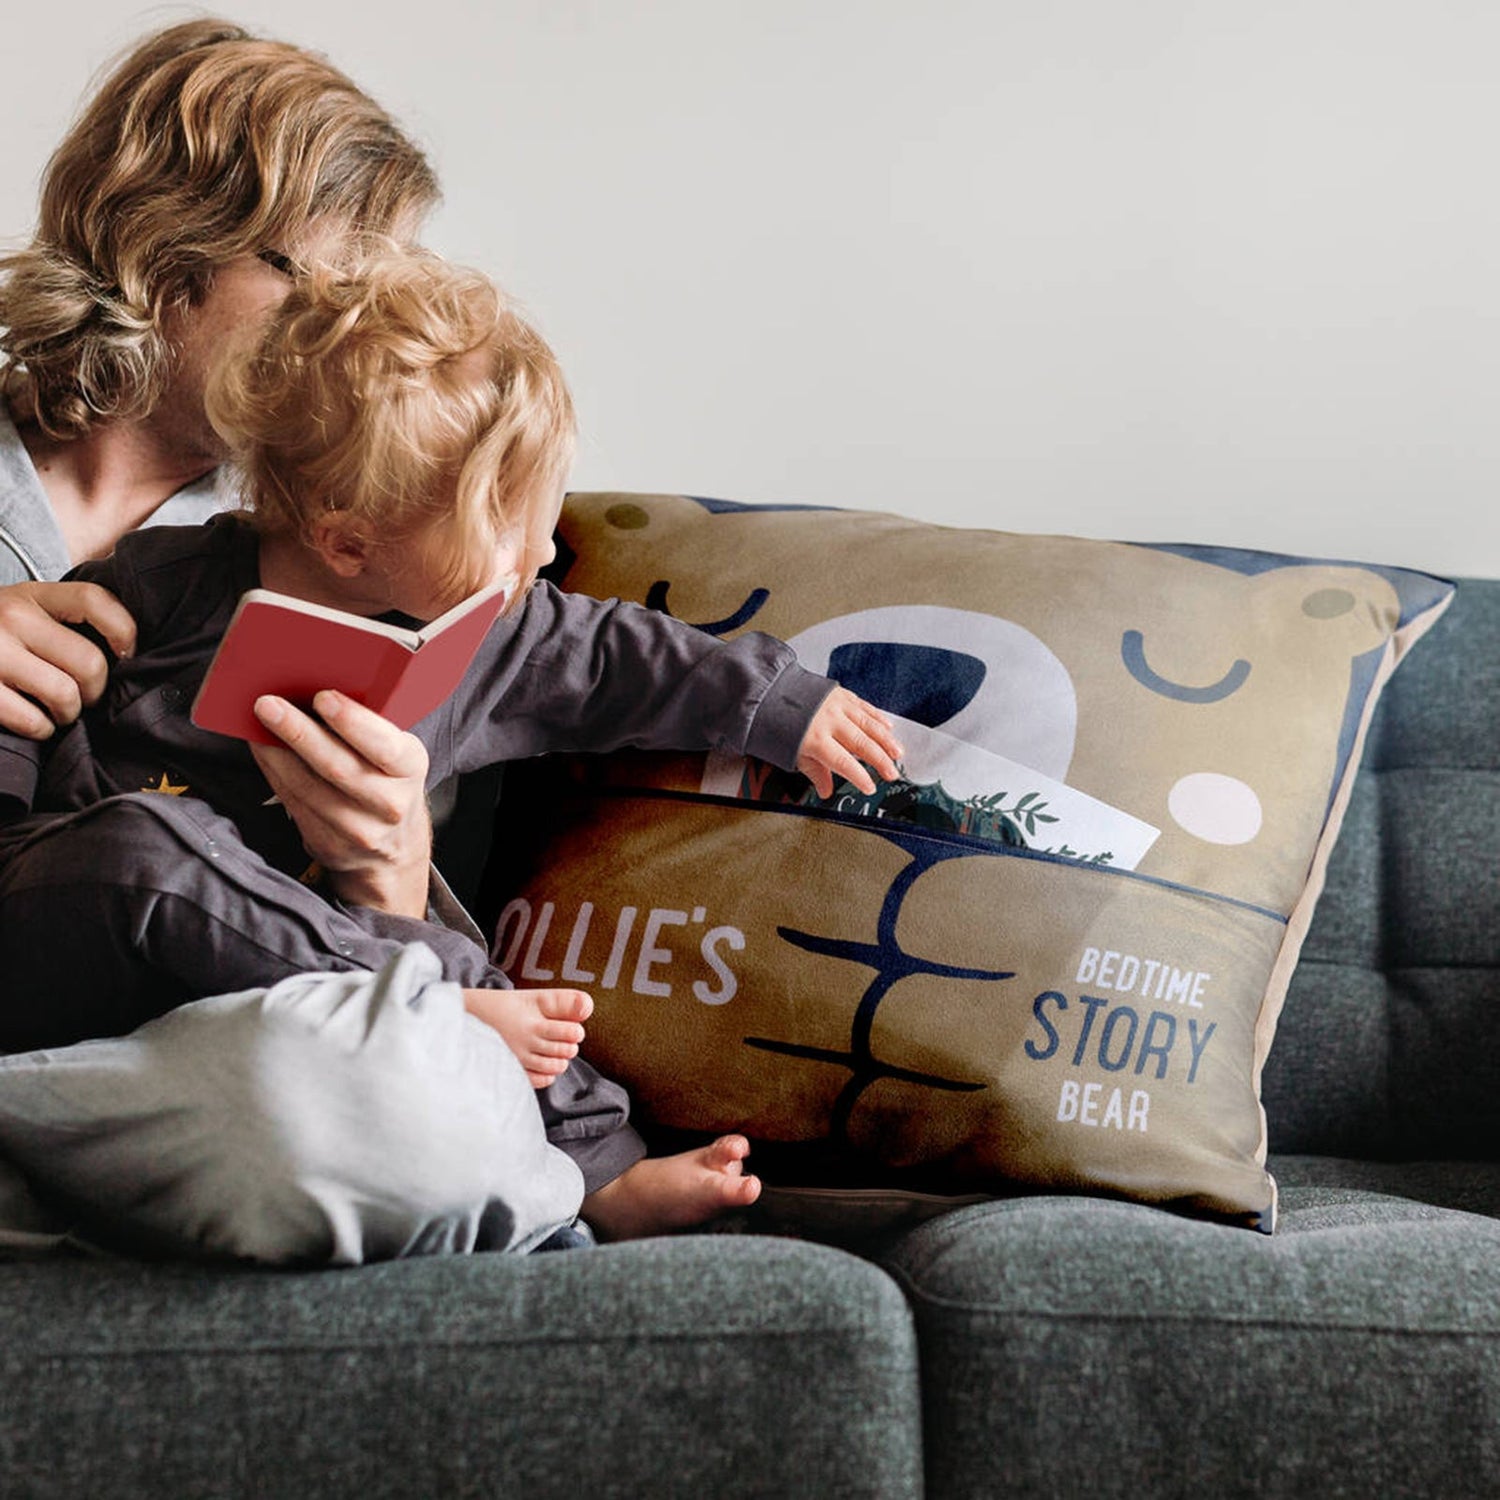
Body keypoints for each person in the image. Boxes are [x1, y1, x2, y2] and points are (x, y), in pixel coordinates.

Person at [0, 245, 905, 1240]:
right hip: (78, 923)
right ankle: (423, 999)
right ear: (350, 541)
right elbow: (26, 702)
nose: (545, 550)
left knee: (462, 967)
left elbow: (620, 658)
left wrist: (784, 703)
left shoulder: (486, 635)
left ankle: (596, 1168)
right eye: (507, 526)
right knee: (151, 848)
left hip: (272, 997)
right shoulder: (159, 585)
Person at [0, 18, 581, 1261]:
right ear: (169, 256)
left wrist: (394, 866)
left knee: (343, 1087)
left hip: (194, 1056)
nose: (365, 336)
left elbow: (364, 988)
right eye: (331, 286)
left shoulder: (354, 546)